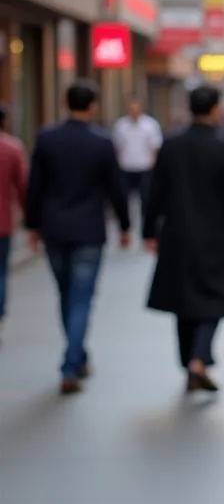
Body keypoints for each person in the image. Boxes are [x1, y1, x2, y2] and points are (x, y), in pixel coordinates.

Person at [25, 81, 130, 394]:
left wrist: (33, 226)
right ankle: (72, 363)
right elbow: (116, 188)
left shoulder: (47, 139)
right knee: (81, 297)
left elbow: (35, 188)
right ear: (93, 106)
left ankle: (75, 356)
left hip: (55, 229)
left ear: (63, 103)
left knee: (67, 295)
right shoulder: (101, 143)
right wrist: (125, 225)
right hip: (88, 230)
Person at [143, 85, 224, 393]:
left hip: (176, 233)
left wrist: (148, 231)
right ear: (214, 109)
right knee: (212, 299)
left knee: (182, 299)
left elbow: (154, 192)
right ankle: (199, 360)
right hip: (215, 235)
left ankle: (190, 360)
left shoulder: (170, 146)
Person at [111, 96, 163, 234]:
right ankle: (125, 228)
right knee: (123, 199)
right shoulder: (120, 125)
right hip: (125, 167)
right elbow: (117, 147)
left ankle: (145, 228)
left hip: (144, 167)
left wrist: (154, 165)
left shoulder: (150, 125)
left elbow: (154, 146)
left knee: (145, 200)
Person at [0, 105, 28, 346]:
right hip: (2, 223)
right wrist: (31, 219)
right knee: (0, 273)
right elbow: (22, 186)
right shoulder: (11, 148)